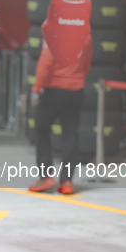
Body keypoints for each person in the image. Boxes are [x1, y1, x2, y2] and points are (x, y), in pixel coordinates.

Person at [28, 31, 92, 195]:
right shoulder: (86, 34)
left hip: (53, 90)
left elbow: (46, 62)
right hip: (76, 90)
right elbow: (87, 62)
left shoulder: (54, 32)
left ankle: (46, 176)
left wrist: (36, 89)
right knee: (70, 134)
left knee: (42, 130)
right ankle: (66, 181)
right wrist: (77, 79)